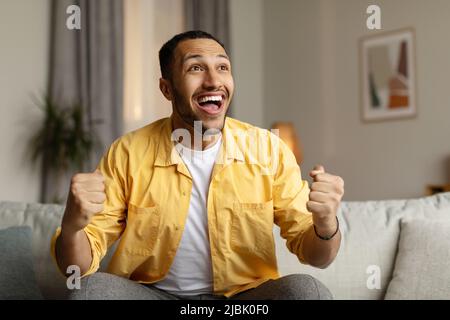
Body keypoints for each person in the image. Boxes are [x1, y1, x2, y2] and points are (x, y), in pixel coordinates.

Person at [50, 30, 344, 300]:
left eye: (222, 67)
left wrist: (326, 223)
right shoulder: (128, 152)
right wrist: (72, 227)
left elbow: (318, 257)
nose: (214, 81)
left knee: (307, 292)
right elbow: (74, 268)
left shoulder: (268, 149)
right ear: (167, 88)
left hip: (242, 301)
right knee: (90, 291)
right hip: (153, 295)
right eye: (195, 68)